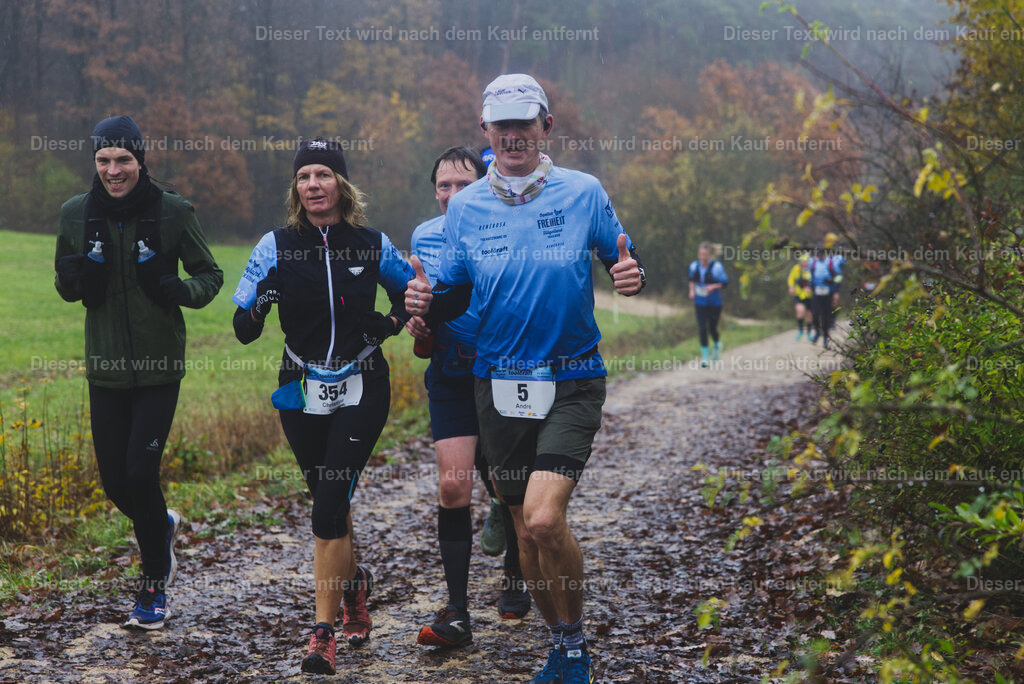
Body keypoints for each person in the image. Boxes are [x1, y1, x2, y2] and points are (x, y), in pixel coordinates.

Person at [405, 74, 645, 683]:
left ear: (546, 127)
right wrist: (425, 301)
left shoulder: (583, 192)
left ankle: (574, 642)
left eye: (524, 123)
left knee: (542, 517)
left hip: (571, 377)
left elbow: (622, 253)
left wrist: (629, 272)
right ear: (485, 131)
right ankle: (565, 647)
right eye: (501, 124)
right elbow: (456, 297)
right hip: (497, 381)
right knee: (523, 529)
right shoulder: (465, 206)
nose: (513, 135)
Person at [231, 138, 414, 675]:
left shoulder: (371, 243)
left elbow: (411, 292)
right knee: (328, 504)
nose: (314, 184)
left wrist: (390, 324)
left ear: (341, 184)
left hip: (363, 384)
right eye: (305, 176)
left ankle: (322, 634)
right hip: (301, 386)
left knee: (328, 506)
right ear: (296, 187)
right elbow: (242, 330)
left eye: (324, 175)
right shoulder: (275, 245)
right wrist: (264, 296)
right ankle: (354, 585)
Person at [54, 115, 223, 630]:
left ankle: (153, 587)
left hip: (157, 369)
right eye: (103, 160)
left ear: (141, 159)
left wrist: (179, 290)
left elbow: (210, 276)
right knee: (114, 482)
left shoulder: (172, 211)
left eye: (123, 159)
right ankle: (161, 525)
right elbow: (67, 284)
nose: (113, 170)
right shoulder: (74, 214)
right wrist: (71, 279)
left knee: (138, 473)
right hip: (104, 369)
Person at [406, 146, 530, 649]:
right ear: (434, 190)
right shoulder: (423, 236)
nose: (452, 195)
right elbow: (421, 310)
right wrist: (417, 317)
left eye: (463, 184)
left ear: (484, 184)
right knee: (454, 488)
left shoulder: (508, 226)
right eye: (443, 186)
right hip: (452, 376)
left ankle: (516, 575)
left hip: (503, 372)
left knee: (507, 486)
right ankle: (457, 611)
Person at [688, 243, 728, 367]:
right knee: (702, 328)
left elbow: (725, 283)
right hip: (700, 302)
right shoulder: (694, 266)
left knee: (712, 328)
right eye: (700, 254)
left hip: (714, 303)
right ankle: (705, 358)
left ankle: (716, 345)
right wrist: (691, 291)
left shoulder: (717, 267)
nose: (702, 256)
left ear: (709, 255)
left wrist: (713, 286)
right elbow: (692, 280)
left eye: (704, 254)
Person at [808, 246, 843, 348]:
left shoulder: (831, 263)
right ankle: (817, 333)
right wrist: (810, 285)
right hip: (816, 292)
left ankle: (825, 337)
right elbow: (808, 275)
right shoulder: (813, 263)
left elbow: (839, 276)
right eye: (818, 254)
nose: (820, 256)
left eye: (822, 254)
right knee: (815, 314)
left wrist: (833, 282)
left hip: (828, 292)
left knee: (825, 315)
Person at [787, 253, 813, 340]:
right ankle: (800, 330)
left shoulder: (812, 269)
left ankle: (809, 332)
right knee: (800, 311)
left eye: (806, 261)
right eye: (803, 261)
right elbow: (791, 278)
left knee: (809, 314)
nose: (805, 263)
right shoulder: (796, 269)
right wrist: (791, 287)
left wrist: (811, 287)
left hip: (810, 295)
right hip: (799, 295)